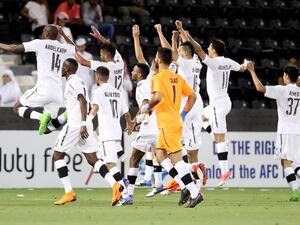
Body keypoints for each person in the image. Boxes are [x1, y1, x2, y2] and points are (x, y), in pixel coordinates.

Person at [53, 58, 123, 206]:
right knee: (93, 159)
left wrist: (83, 123)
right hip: (82, 124)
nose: (61, 69)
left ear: (68, 69)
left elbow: (83, 101)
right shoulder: (77, 81)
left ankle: (69, 192)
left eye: (63, 66)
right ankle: (115, 186)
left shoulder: (73, 81)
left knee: (57, 155)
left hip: (76, 124)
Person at [140, 47, 202, 208]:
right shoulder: (177, 77)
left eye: (155, 56)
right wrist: (183, 113)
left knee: (176, 159)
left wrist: (147, 108)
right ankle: (183, 185)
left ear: (159, 60)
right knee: (160, 155)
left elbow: (158, 96)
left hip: (167, 122)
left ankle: (195, 192)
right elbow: (193, 95)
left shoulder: (158, 77)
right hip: (174, 120)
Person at [186, 29, 248, 187]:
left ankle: (225, 172)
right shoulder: (228, 61)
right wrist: (246, 64)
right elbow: (241, 68)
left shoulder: (213, 63)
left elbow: (198, 49)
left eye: (209, 47)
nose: (207, 48)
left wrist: (187, 36)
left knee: (220, 140)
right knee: (201, 118)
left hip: (217, 105)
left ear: (214, 50)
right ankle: (220, 141)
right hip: (225, 102)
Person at [155, 22, 208, 191]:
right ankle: (186, 181)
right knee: (180, 146)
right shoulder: (196, 61)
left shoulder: (186, 63)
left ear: (184, 54)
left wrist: (160, 32)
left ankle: (195, 181)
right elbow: (186, 47)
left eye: (180, 51)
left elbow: (168, 54)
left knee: (188, 149)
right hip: (192, 101)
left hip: (189, 104)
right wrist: (180, 32)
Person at [0, 25, 75, 135]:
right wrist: (63, 34)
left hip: (43, 89)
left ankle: (41, 116)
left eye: (44, 31)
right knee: (46, 129)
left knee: (17, 107)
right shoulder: (64, 48)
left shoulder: (39, 43)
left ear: (46, 33)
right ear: (57, 35)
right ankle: (64, 116)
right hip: (58, 93)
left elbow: (13, 48)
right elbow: (74, 48)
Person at [247, 62, 300, 201]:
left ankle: (296, 192)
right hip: (298, 132)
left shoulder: (282, 90)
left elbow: (260, 88)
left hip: (286, 131)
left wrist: (252, 71)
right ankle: (296, 190)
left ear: (286, 76)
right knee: (295, 163)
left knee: (286, 162)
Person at [89, 66, 134, 206]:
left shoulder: (98, 91)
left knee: (110, 164)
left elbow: (95, 109)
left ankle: (124, 192)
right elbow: (126, 113)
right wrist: (130, 125)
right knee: (104, 159)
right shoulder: (117, 92)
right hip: (116, 132)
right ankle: (122, 183)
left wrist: (86, 122)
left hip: (106, 133)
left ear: (97, 77)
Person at [75, 26, 124, 91]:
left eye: (101, 55)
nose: (100, 56)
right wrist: (99, 37)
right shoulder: (120, 62)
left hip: (109, 97)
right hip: (120, 97)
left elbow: (82, 62)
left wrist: (72, 48)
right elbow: (111, 47)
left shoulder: (104, 66)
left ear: (106, 56)